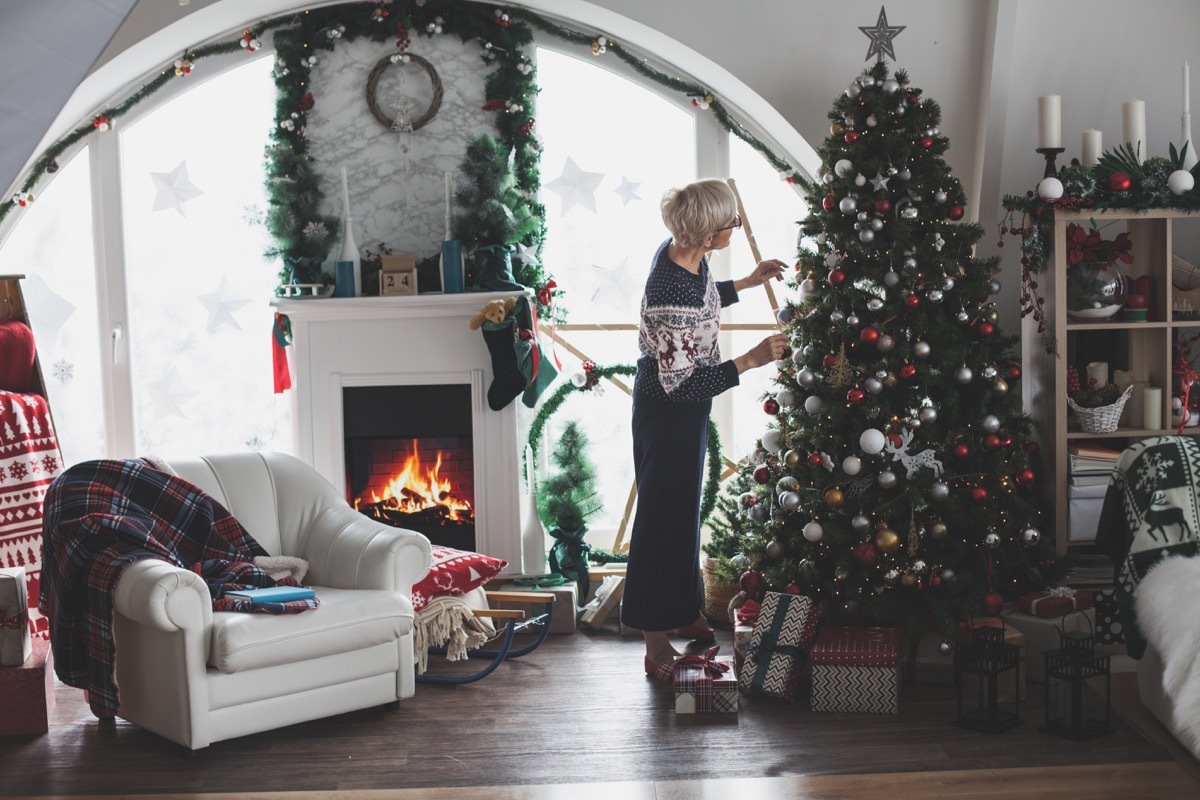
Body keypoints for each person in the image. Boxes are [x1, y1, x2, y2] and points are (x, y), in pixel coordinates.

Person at [619, 178, 789, 680]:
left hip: (685, 409)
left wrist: (749, 283)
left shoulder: (686, 257)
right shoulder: (667, 287)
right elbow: (682, 384)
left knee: (683, 515)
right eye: (731, 222)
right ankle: (653, 641)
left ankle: (685, 611)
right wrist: (752, 360)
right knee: (660, 522)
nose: (736, 228)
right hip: (667, 410)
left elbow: (704, 300)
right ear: (709, 235)